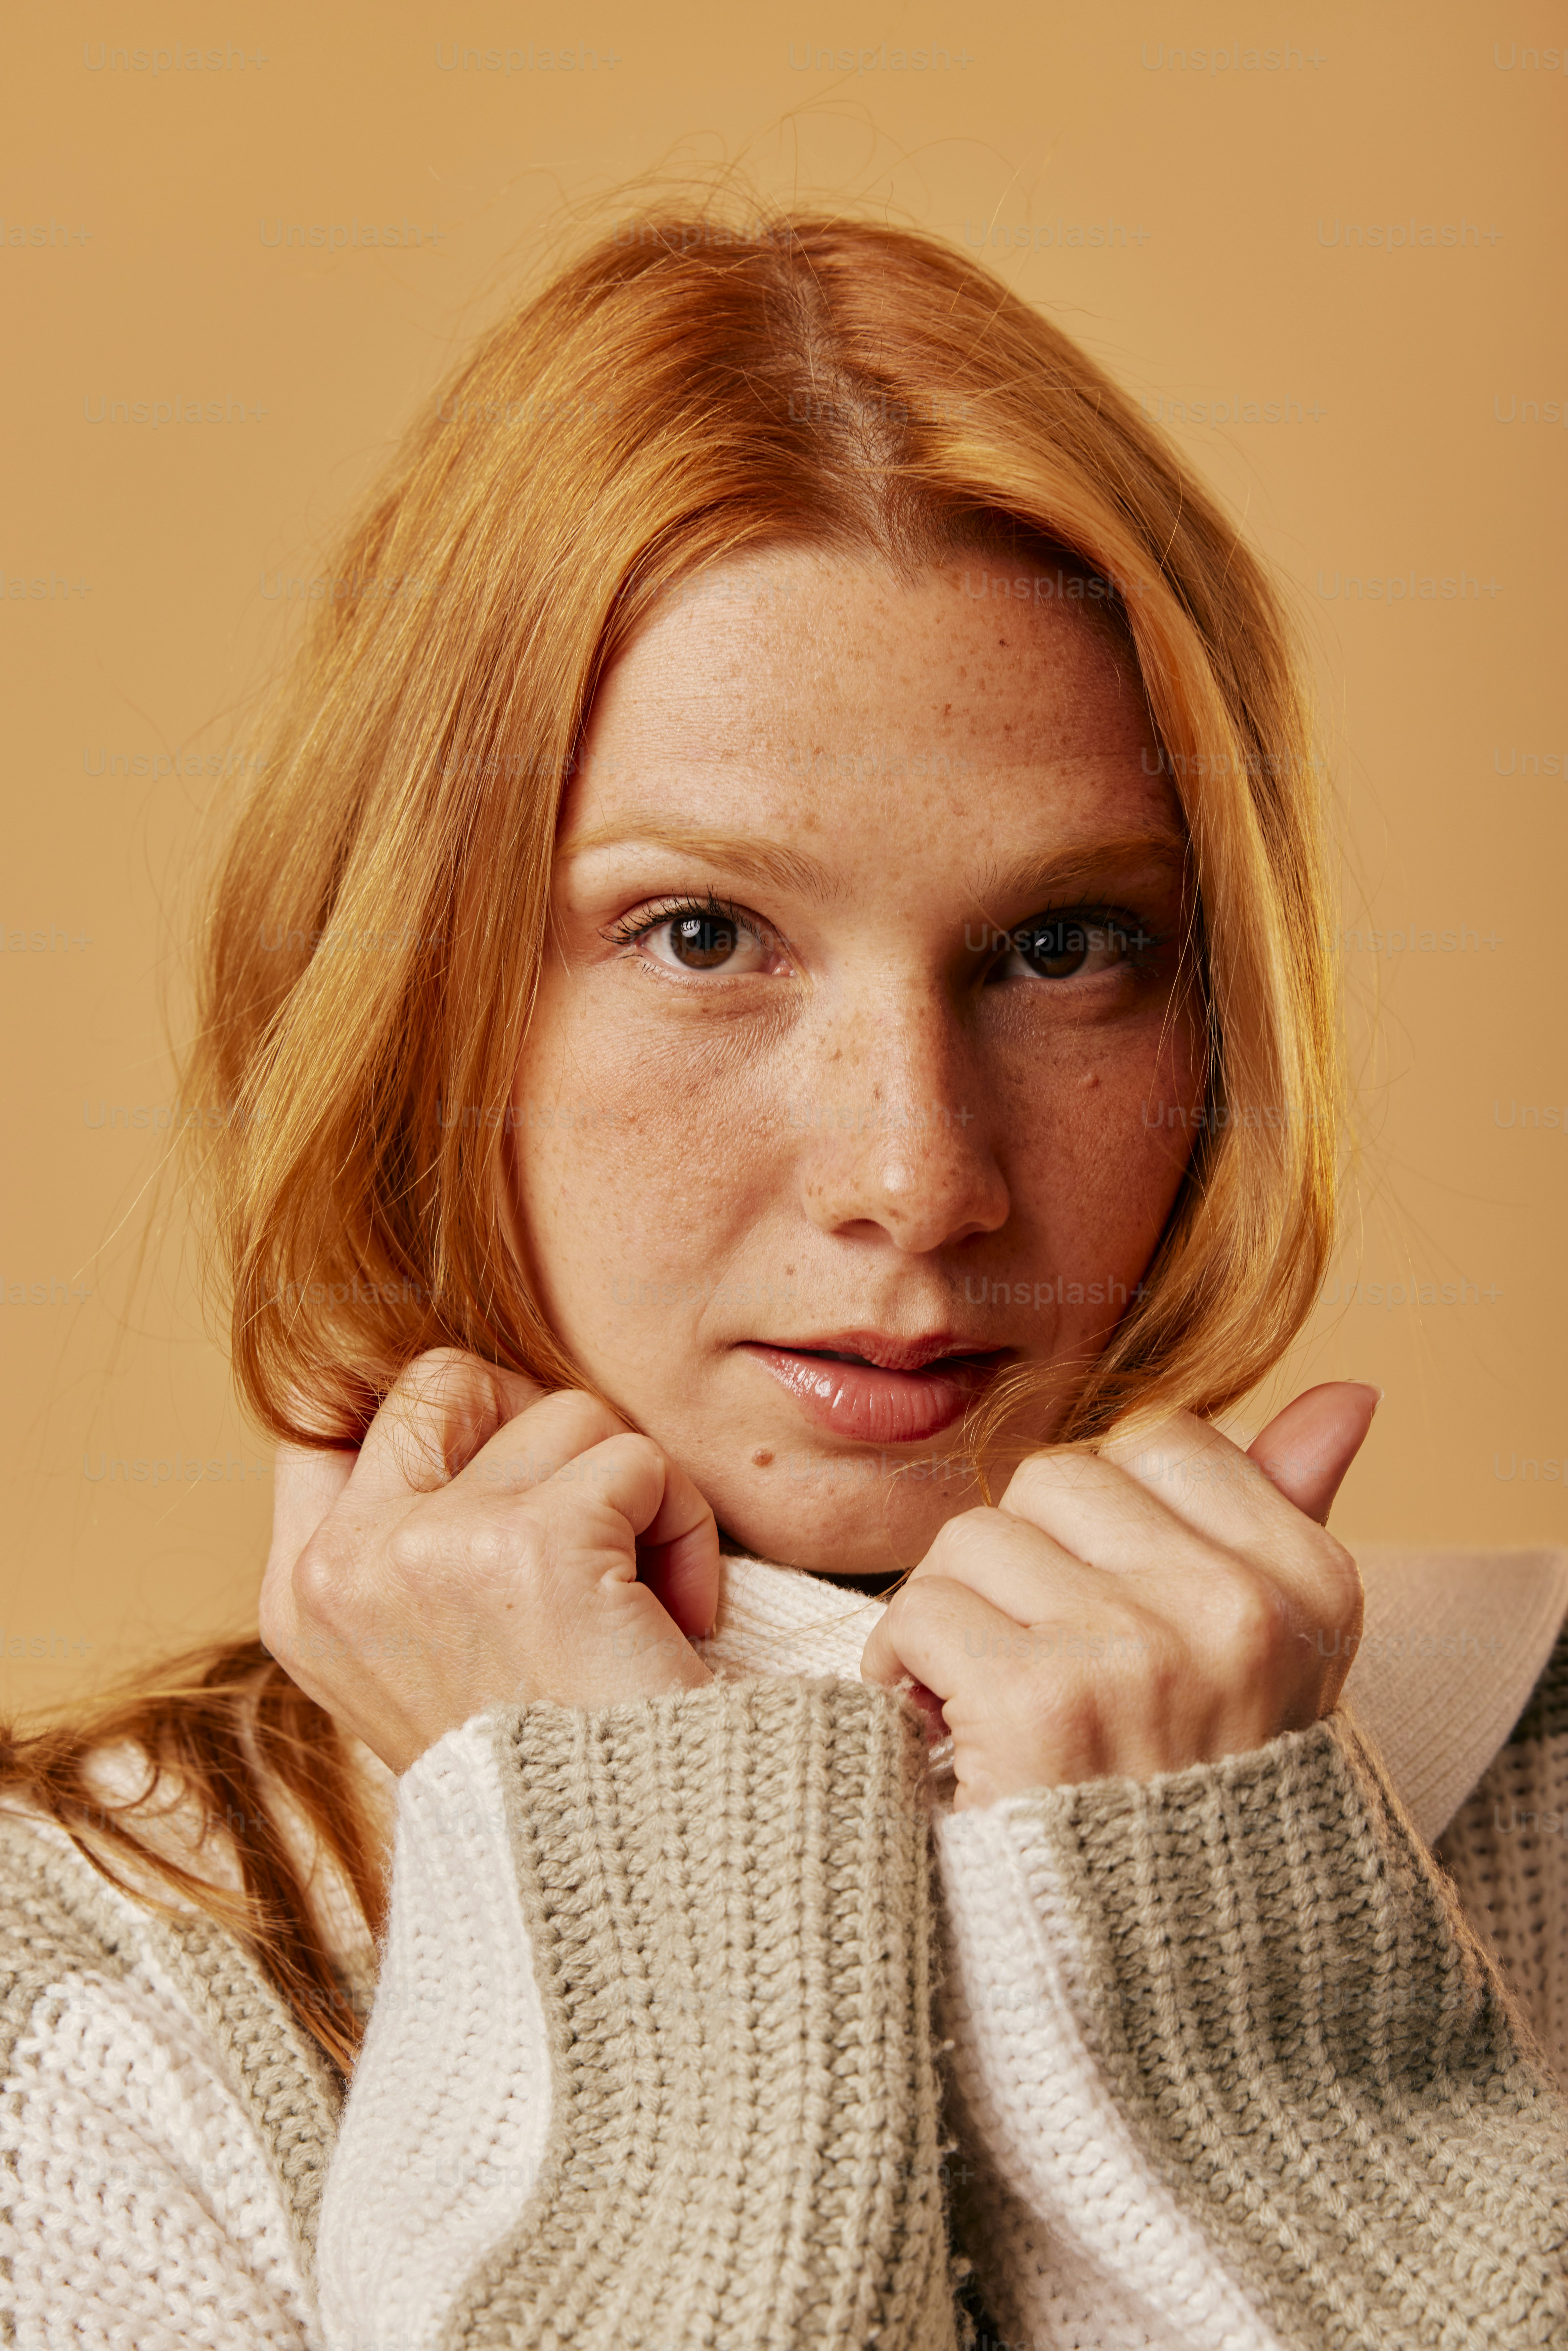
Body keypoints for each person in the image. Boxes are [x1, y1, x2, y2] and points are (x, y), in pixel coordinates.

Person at [2, 207, 1564, 2351]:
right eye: (704, 937)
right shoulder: (88, 1969)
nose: (919, 1180)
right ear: (414, 992)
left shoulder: (1532, 1760)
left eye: (1063, 944)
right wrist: (643, 1869)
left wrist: (1231, 2019)